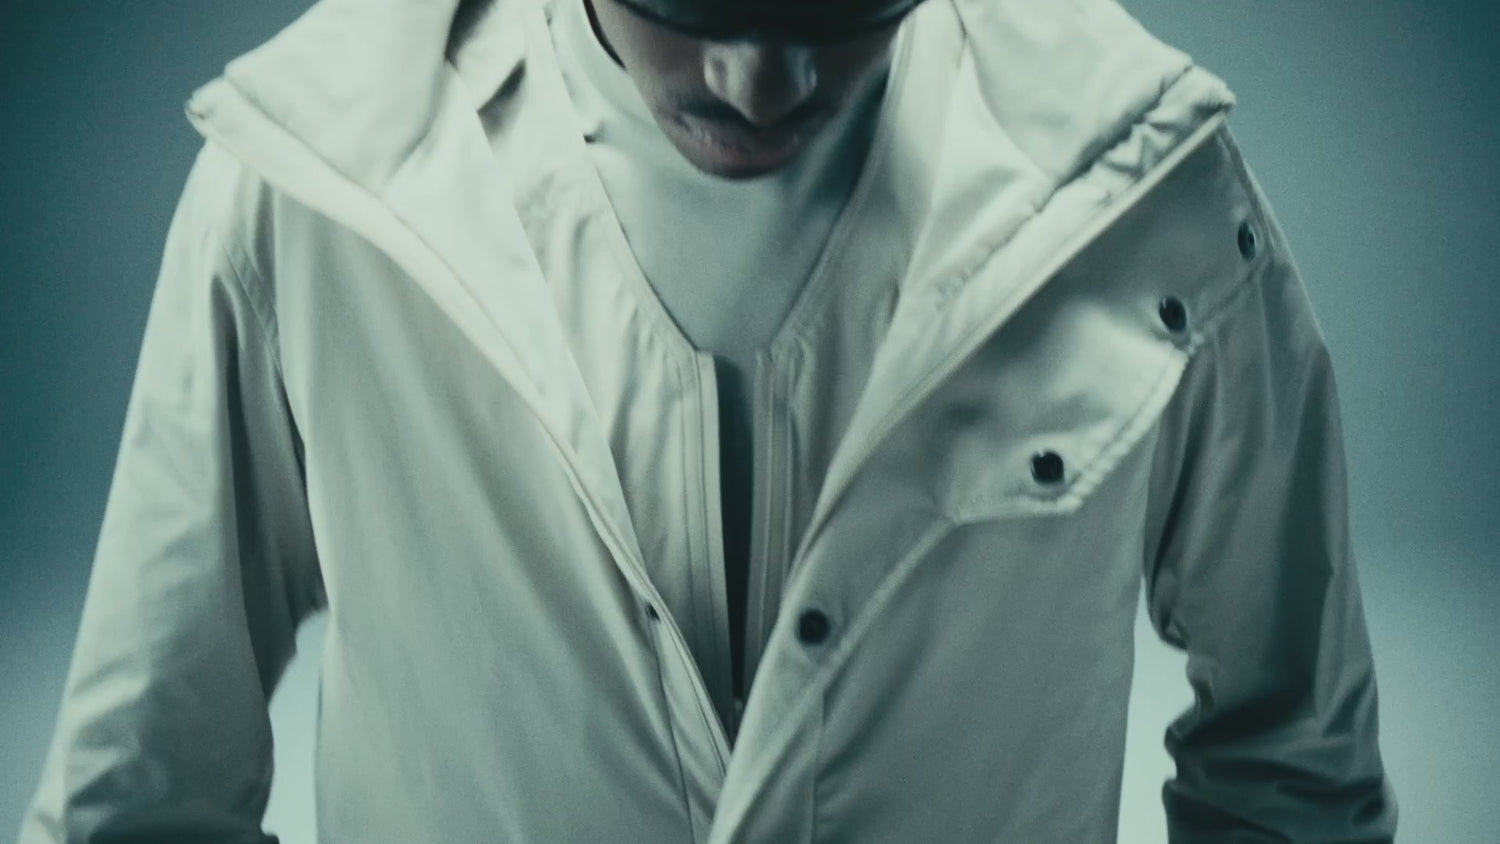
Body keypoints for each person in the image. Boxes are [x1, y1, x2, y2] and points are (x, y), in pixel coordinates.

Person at [19, 0, 1399, 841]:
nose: (758, 75)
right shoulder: (306, 190)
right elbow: (139, 795)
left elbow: (1295, 774)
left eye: (839, 1)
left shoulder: (1145, 193)